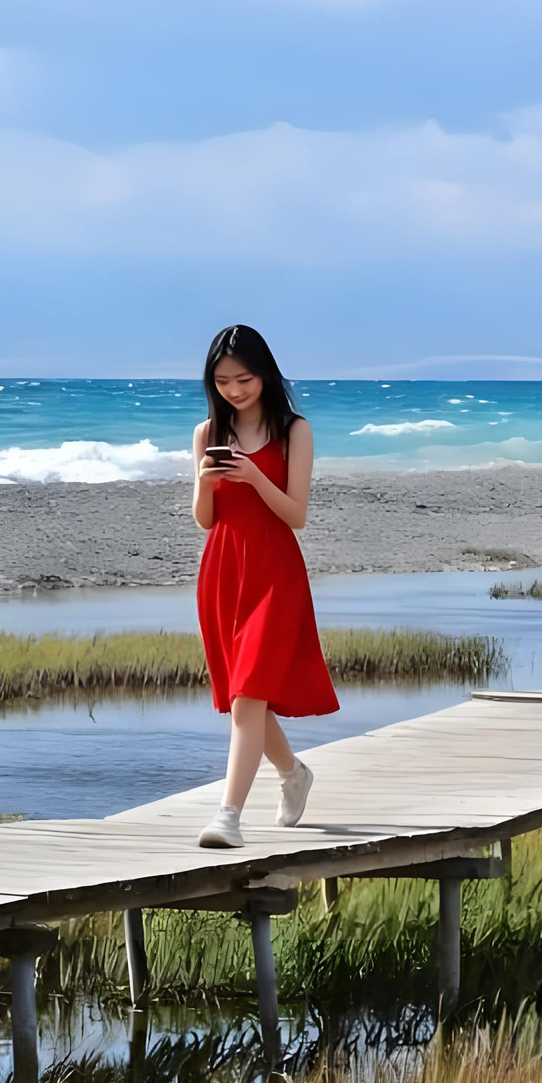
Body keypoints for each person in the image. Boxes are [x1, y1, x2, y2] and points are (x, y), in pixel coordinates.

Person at [192, 325, 336, 848]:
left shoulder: (295, 430)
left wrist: (255, 477)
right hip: (223, 572)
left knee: (250, 694)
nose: (235, 389)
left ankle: (227, 817)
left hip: (275, 570)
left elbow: (296, 515)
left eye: (245, 378)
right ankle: (294, 775)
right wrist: (205, 485)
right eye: (224, 380)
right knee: (241, 700)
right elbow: (205, 520)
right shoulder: (207, 433)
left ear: (265, 374)